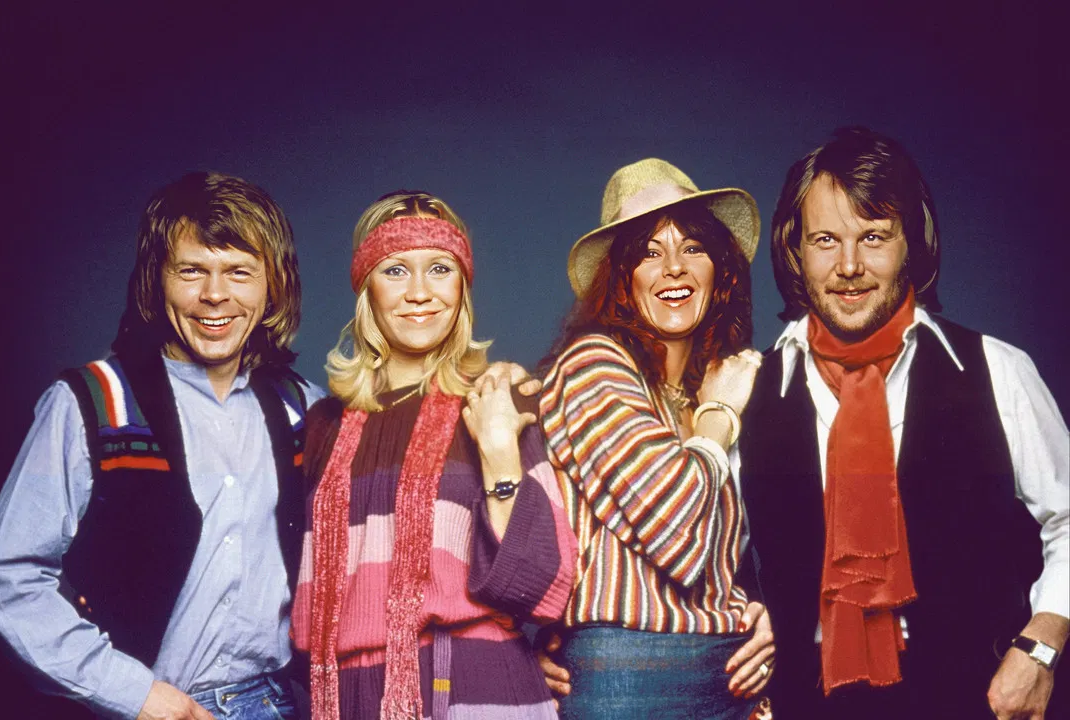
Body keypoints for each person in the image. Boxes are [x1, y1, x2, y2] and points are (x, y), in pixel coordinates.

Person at [737, 126, 1069, 719]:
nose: (849, 266)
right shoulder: (747, 390)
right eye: (825, 240)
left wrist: (1039, 648)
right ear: (794, 250)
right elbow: (704, 560)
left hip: (977, 698)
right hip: (807, 701)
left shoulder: (997, 370)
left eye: (873, 237)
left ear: (911, 244)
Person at [0, 172, 323, 719]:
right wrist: (134, 694)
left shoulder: (304, 408)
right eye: (191, 270)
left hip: (278, 703)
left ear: (273, 285)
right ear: (156, 279)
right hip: (143, 707)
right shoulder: (93, 403)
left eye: (239, 272)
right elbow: (8, 579)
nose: (215, 295)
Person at [289, 191, 578, 719]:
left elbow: (541, 584)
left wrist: (498, 452)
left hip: (471, 689)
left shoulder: (501, 400)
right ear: (367, 288)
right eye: (396, 270)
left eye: (439, 269)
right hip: (345, 697)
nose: (419, 292)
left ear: (461, 288)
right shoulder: (323, 425)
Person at [537, 158, 774, 719]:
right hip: (630, 679)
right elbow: (675, 528)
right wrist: (719, 416)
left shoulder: (712, 385)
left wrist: (770, 615)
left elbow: (748, 548)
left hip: (732, 678)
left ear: (719, 269)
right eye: (649, 252)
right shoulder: (593, 366)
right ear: (621, 276)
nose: (673, 268)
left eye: (693, 247)